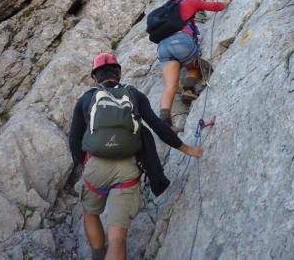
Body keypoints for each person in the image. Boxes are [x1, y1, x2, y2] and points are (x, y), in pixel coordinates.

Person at [69, 53, 203, 260]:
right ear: (119, 73)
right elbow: (158, 126)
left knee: (90, 212)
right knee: (117, 237)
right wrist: (188, 149)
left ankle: (97, 255)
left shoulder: (86, 99)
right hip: (127, 170)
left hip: (96, 167)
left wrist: (84, 164)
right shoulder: (134, 95)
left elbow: (74, 140)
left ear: (95, 77)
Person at [157, 0, 231, 128]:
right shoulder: (189, 2)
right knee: (194, 65)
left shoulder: (165, 10)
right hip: (181, 41)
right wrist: (225, 2)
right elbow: (215, 6)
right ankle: (188, 89)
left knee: (170, 86)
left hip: (163, 48)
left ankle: (165, 121)